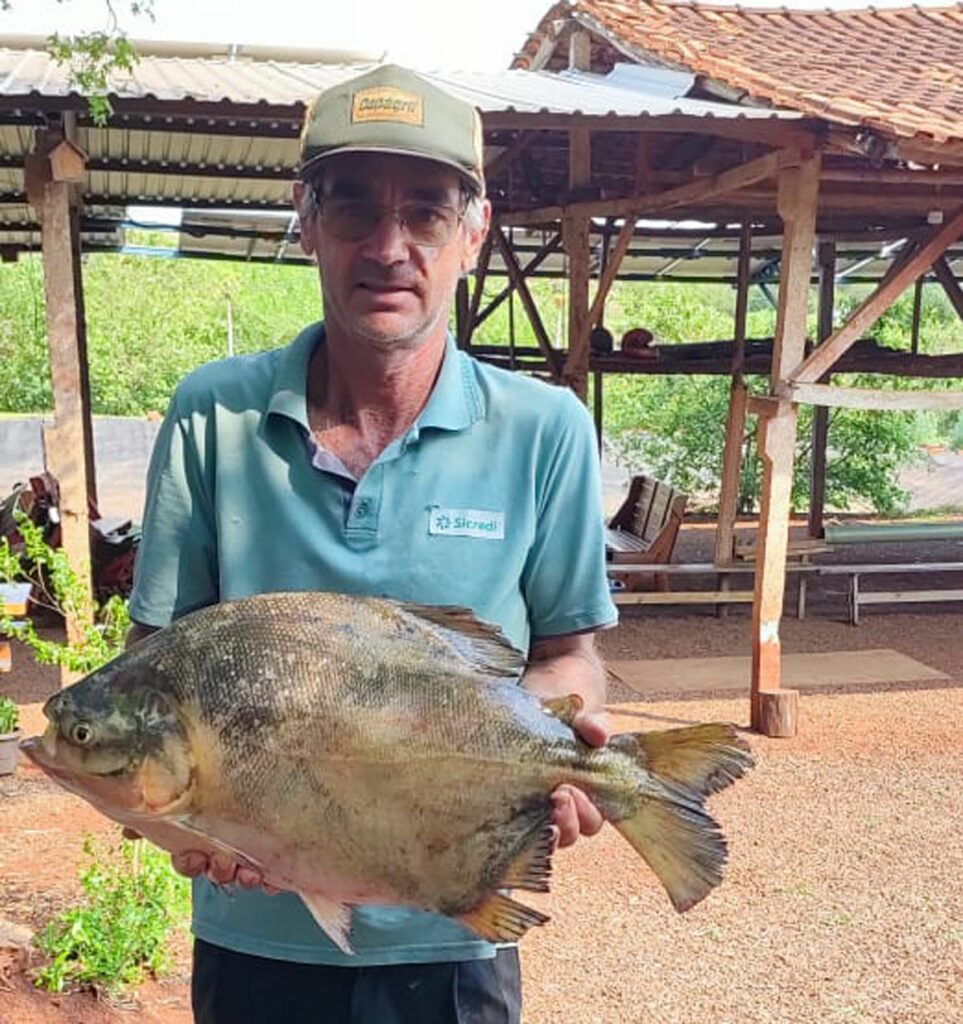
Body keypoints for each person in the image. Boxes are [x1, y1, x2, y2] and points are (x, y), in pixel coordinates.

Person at [126, 64, 618, 1024]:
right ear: (304, 220)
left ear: (475, 232)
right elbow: (158, 671)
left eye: (427, 212)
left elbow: (565, 653)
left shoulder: (544, 429)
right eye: (352, 208)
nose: (387, 247)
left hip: (450, 926)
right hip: (254, 926)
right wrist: (171, 821)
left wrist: (560, 744)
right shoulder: (212, 417)